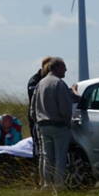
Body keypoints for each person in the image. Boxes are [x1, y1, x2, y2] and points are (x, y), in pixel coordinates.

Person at [30, 57, 77, 189]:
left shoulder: (40, 83)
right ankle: (58, 184)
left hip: (42, 125)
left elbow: (32, 108)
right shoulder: (59, 84)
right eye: (64, 67)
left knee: (46, 156)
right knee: (60, 157)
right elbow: (65, 108)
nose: (66, 70)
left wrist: (37, 121)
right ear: (56, 68)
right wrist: (67, 121)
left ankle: (46, 184)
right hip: (59, 125)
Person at [27, 56, 54, 185]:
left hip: (45, 120)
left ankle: (47, 177)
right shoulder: (34, 81)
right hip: (36, 121)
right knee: (38, 150)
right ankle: (38, 178)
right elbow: (37, 94)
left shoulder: (45, 79)